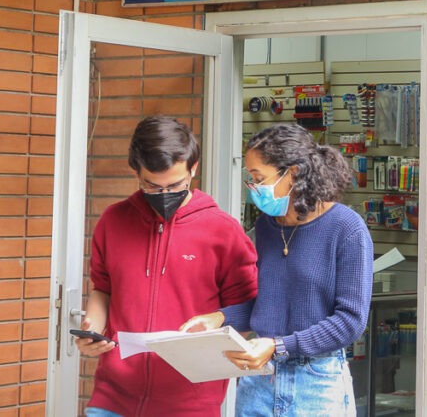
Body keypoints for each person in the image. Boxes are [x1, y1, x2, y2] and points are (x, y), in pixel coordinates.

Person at [181, 123, 373, 417]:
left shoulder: (347, 228)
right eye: (251, 178)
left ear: (292, 173)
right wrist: (219, 318)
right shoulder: (266, 227)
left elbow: (350, 322)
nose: (253, 187)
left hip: (317, 383)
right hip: (260, 379)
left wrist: (278, 345)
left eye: (259, 178)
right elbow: (269, 303)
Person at [75, 115, 259, 417]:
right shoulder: (113, 220)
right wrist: (91, 329)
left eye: (175, 185)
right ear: (136, 171)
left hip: (190, 403)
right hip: (112, 398)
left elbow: (248, 310)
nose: (164, 195)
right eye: (151, 185)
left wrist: (216, 322)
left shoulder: (223, 231)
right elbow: (103, 288)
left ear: (193, 168)